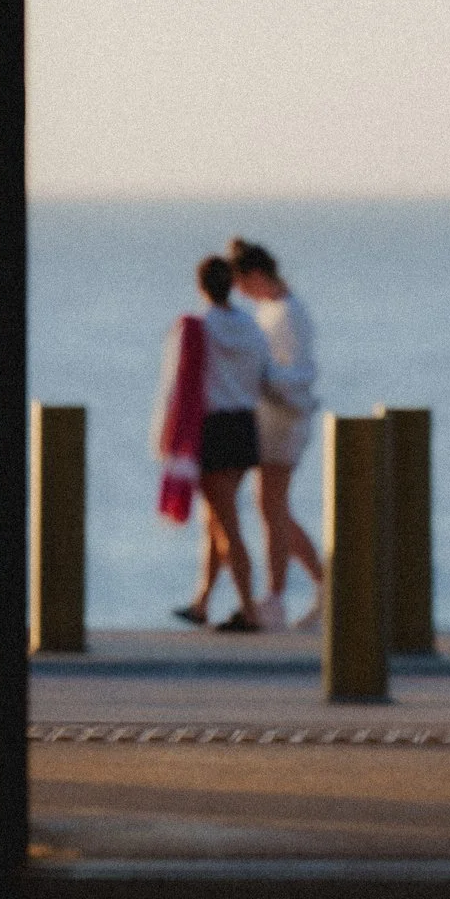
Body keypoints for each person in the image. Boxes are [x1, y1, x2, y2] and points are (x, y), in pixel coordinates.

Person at [154, 255, 304, 632]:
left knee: (227, 524)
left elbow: (175, 385)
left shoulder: (197, 328)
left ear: (201, 287)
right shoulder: (251, 327)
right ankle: (202, 602)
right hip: (243, 427)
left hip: (213, 428)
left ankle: (248, 611)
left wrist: (165, 435)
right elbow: (269, 377)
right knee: (215, 519)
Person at [229, 239, 323, 631]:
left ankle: (277, 595)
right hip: (269, 416)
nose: (240, 293)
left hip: (286, 417)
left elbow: (301, 371)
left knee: (273, 504)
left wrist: (263, 377)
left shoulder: (289, 313)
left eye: (241, 283)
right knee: (272, 506)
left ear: (255, 276)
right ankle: (320, 584)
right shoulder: (270, 311)